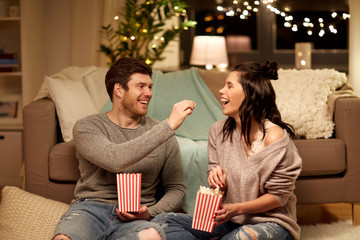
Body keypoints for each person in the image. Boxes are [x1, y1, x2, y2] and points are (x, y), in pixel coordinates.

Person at [153, 60, 302, 240]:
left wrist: (236, 208)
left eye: (229, 86)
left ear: (250, 93)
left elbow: (278, 197)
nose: (221, 91)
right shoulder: (218, 131)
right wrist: (217, 180)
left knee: (241, 237)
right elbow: (216, 181)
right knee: (163, 221)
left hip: (272, 223)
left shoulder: (274, 137)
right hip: (231, 220)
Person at [53, 57, 196, 240]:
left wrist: (150, 211)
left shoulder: (162, 132)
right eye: (141, 86)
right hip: (91, 210)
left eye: (150, 87)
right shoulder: (87, 127)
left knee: (150, 236)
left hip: (136, 218)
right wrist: (168, 126)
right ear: (119, 90)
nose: (148, 93)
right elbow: (115, 159)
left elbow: (176, 188)